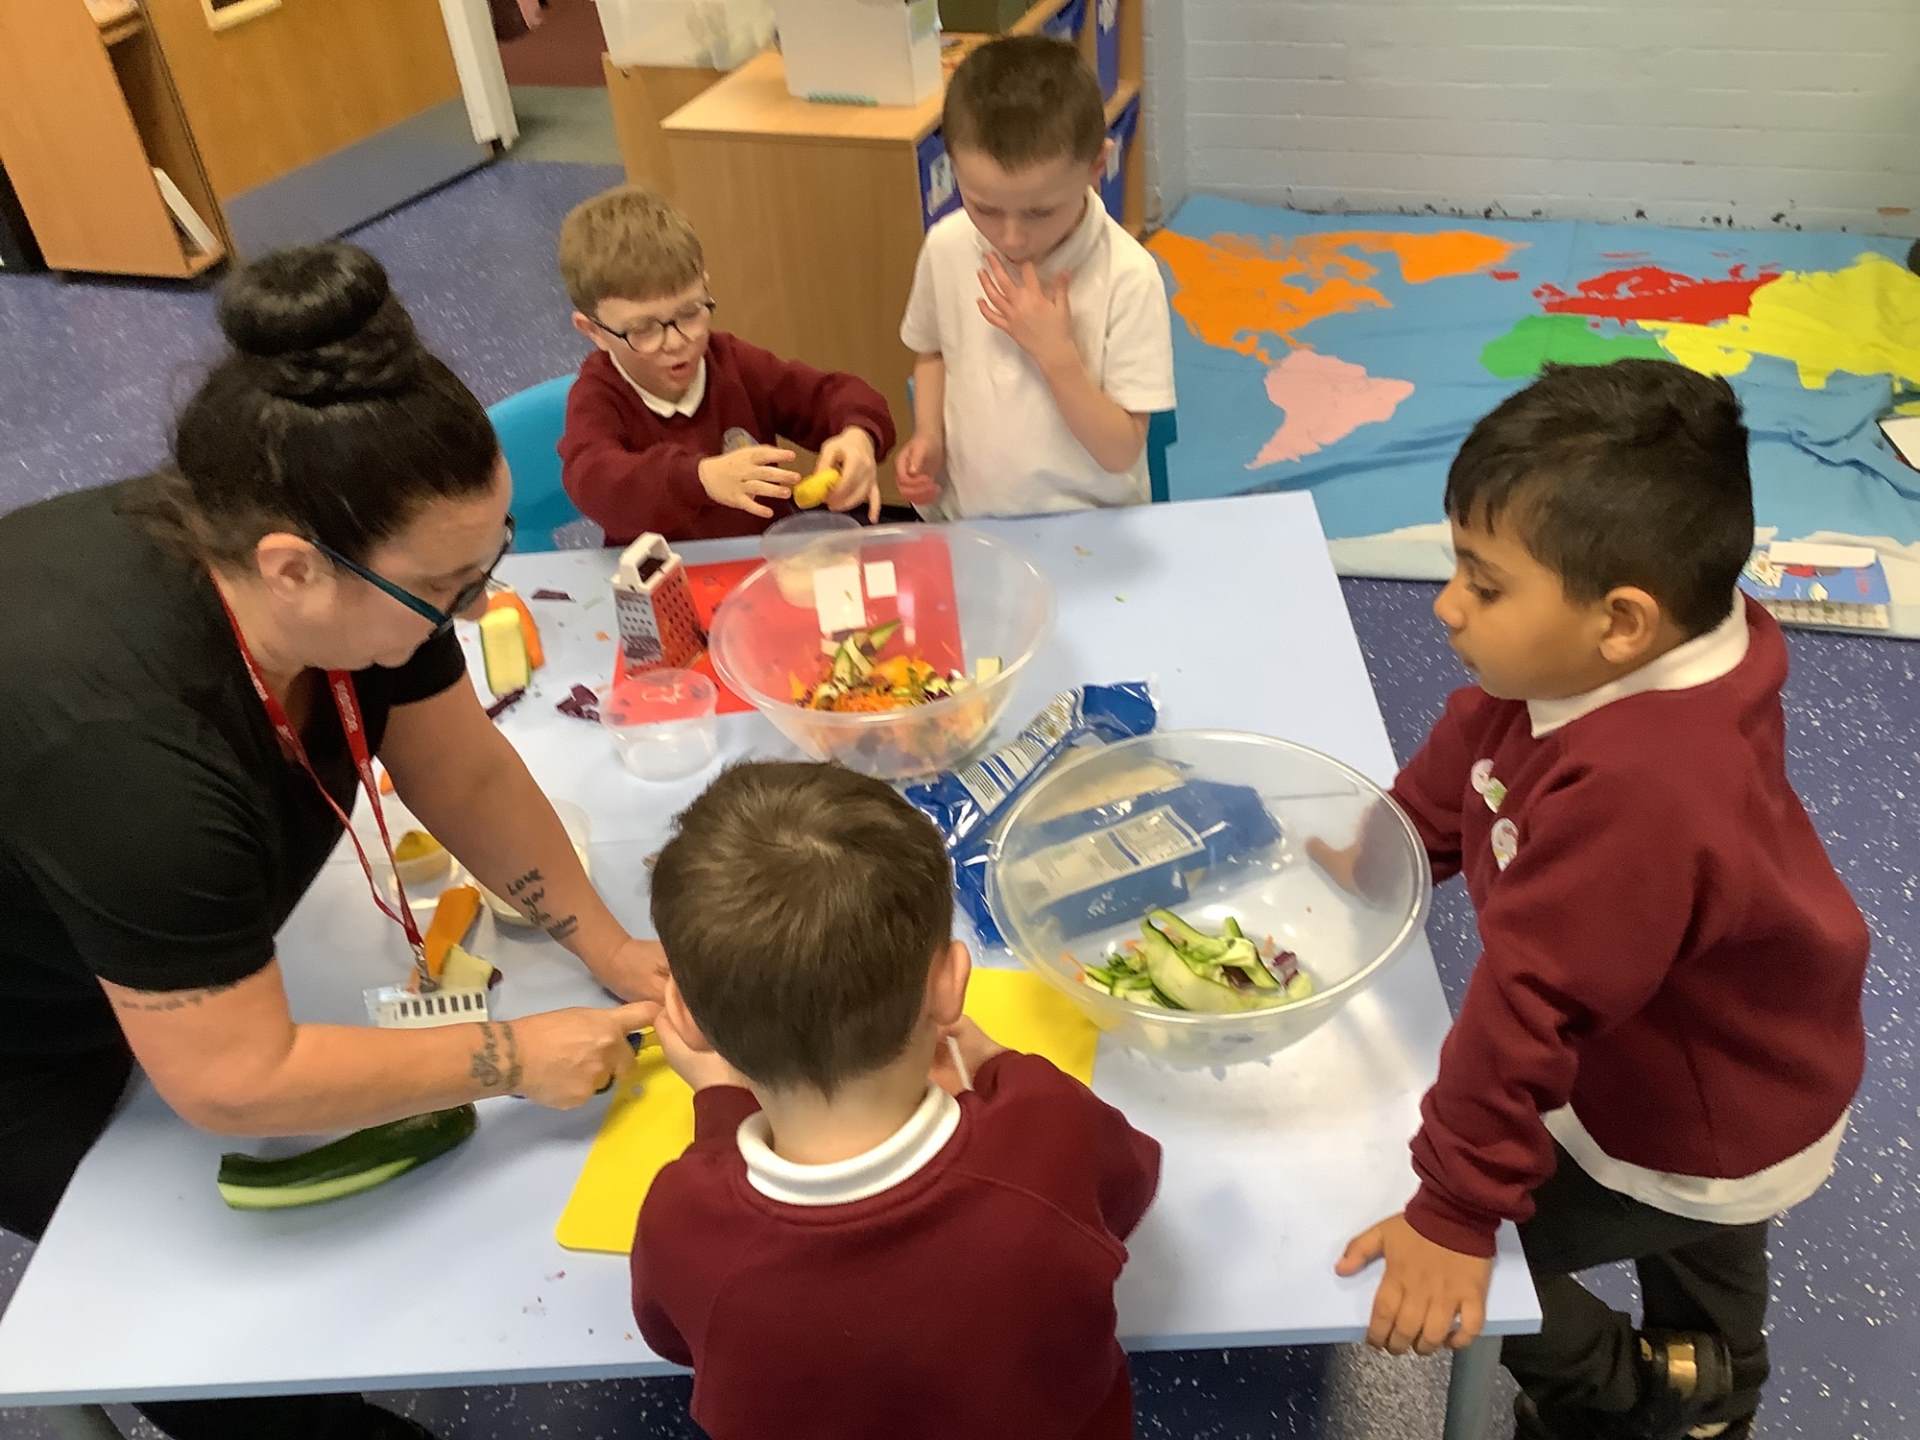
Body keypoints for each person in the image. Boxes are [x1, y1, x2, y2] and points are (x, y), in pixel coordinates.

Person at [0, 243, 666, 1440]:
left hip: (143, 934)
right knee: (204, 1325)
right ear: (292, 570)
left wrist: (610, 947)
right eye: (449, 589)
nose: (474, 608)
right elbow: (234, 1078)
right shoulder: (132, 761)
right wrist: (510, 1057)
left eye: (486, 566)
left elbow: (460, 765)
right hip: (21, 1032)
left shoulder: (351, 557)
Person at [1325, 361, 1871, 1440]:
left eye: (1484, 585)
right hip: (1742, 1053)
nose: (1445, 605)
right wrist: (1398, 847)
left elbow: (1527, 1003)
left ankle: (1634, 1390)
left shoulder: (1643, 790)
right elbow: (1482, 734)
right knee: (1706, 1249)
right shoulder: (1633, 650)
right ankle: (1720, 1389)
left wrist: (1454, 1215)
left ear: (1622, 622)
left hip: (1685, 1116)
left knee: (1475, 1259)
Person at [631, 761, 1162, 1440]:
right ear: (950, 984)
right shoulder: (1048, 1131)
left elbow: (674, 1338)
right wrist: (1002, 1067)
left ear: (686, 1019)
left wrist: (719, 1106)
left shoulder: (682, 1217)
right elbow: (1128, 1187)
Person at [895, 34, 1175, 519]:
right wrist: (930, 437)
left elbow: (1121, 452)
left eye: (1040, 212)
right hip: (974, 519)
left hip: (1091, 524)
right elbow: (933, 351)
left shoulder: (1128, 276)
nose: (1012, 237)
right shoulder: (947, 246)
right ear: (953, 166)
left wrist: (1056, 356)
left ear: (1097, 166)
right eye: (984, 207)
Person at [556, 184, 896, 543]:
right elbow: (595, 483)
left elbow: (837, 395)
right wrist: (699, 479)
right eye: (643, 329)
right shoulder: (597, 397)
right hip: (662, 572)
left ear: (705, 288)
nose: (676, 342)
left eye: (690, 312)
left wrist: (858, 436)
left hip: (761, 558)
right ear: (593, 330)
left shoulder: (733, 362)